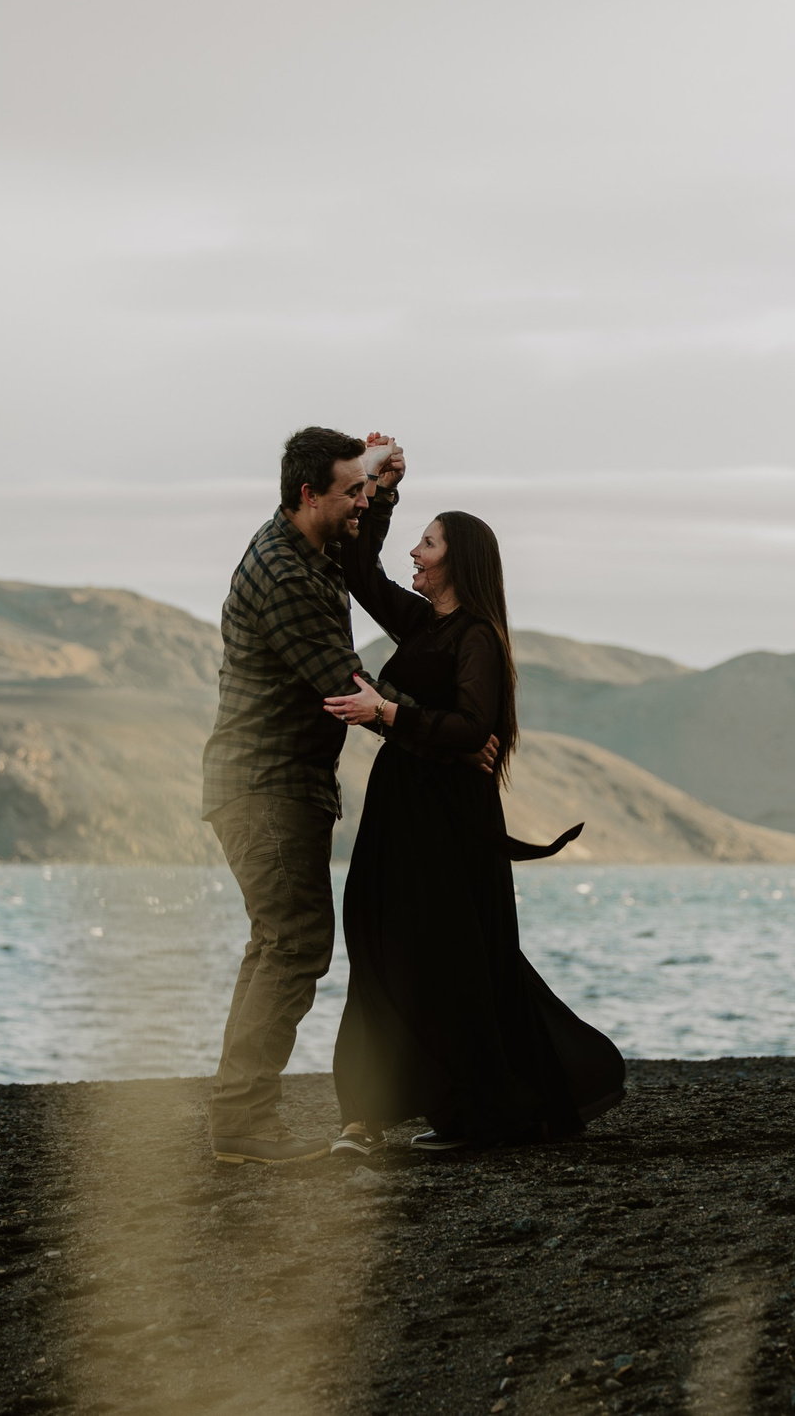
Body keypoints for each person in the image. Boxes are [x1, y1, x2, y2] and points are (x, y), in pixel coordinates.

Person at [321, 464, 626, 1154]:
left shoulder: (477, 636)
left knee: (449, 958)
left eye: (427, 543)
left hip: (446, 821)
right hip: (400, 808)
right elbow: (361, 570)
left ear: (457, 563)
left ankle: (477, 1112)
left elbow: (472, 727)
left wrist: (387, 711)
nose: (415, 552)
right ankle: (369, 1110)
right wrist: (380, 491)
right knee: (373, 938)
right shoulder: (421, 622)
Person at [199, 425, 428, 1165]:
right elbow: (345, 683)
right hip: (264, 785)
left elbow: (357, 552)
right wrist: (444, 731)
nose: (361, 502)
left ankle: (238, 1118)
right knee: (294, 943)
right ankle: (241, 1122)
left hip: (279, 783)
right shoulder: (285, 575)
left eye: (363, 490)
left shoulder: (309, 544)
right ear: (307, 494)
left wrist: (380, 485)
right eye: (350, 492)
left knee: (278, 943)